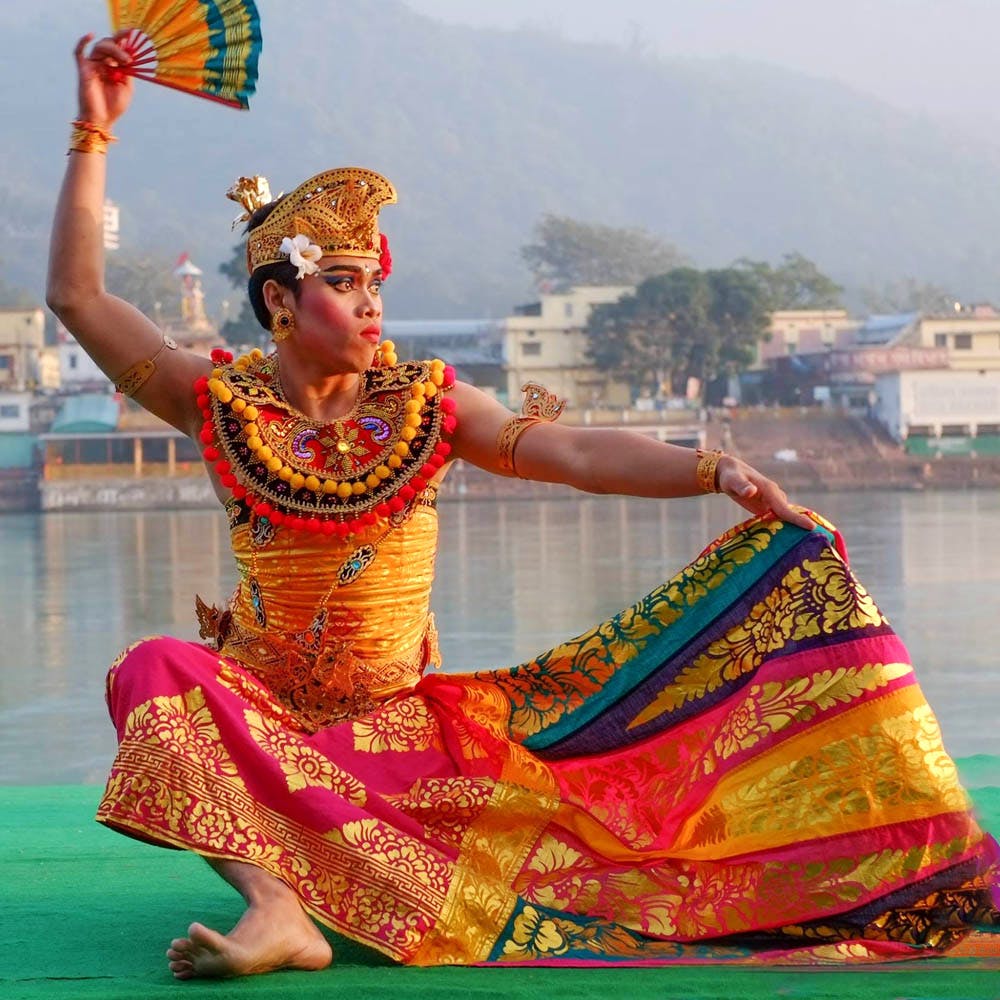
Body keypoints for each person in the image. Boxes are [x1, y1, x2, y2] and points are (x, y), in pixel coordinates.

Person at [48, 35, 998, 981]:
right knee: (153, 666)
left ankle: (311, 887)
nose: (372, 304)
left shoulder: (430, 407)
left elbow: (578, 452)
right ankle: (279, 906)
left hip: (398, 745)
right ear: (280, 301)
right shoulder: (220, 404)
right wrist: (94, 128)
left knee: (623, 860)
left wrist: (716, 472)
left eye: (376, 282)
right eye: (342, 283)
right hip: (260, 719)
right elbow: (79, 295)